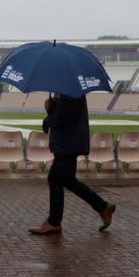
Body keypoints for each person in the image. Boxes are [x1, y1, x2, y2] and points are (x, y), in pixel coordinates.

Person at [29, 93, 116, 235]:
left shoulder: (68, 94)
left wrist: (49, 111)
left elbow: (60, 119)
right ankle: (103, 207)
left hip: (67, 144)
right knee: (69, 181)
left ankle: (54, 222)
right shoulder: (68, 92)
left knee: (54, 178)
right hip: (69, 143)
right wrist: (50, 111)